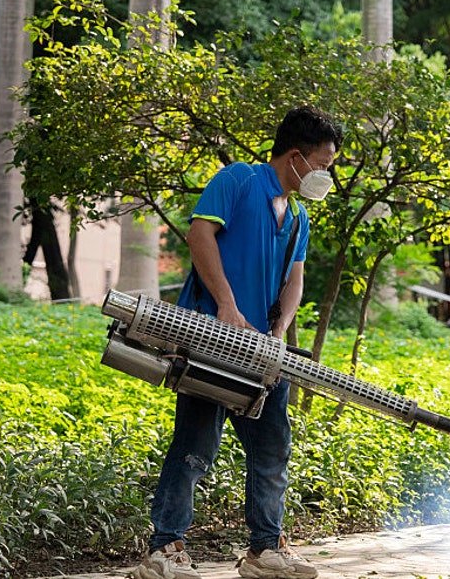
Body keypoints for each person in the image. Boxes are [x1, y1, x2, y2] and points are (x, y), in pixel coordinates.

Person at [131, 107, 341, 579]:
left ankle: (265, 551)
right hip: (211, 338)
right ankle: (165, 549)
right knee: (195, 444)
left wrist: (280, 330)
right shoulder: (238, 181)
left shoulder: (298, 217)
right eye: (324, 164)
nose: (327, 174)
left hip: (263, 352)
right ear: (296, 157)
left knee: (272, 449)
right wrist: (226, 305)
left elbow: (295, 280)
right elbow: (199, 235)